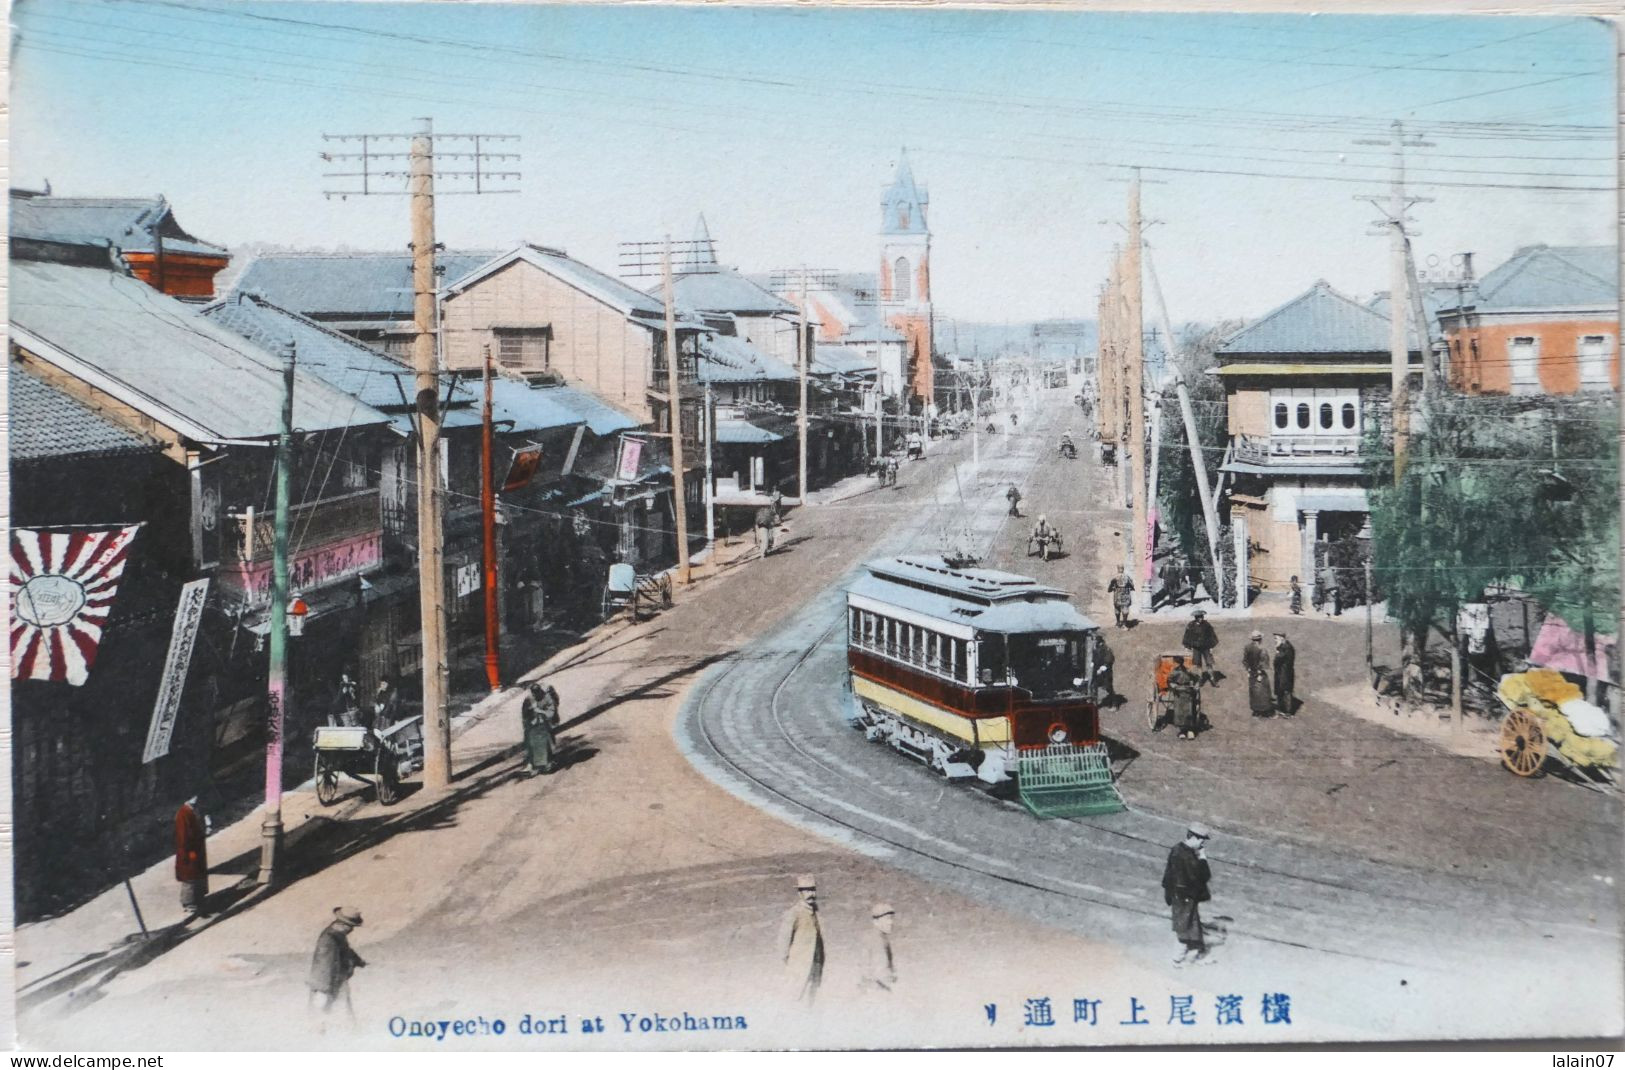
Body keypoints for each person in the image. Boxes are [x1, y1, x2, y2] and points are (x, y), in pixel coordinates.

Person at [1162, 824, 1213, 966]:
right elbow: (1204, 876)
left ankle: (1197, 955)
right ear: (1194, 837)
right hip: (1185, 897)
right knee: (1185, 928)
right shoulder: (1187, 855)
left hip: (1179, 896)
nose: (1202, 844)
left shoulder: (1177, 849)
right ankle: (1177, 959)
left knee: (1193, 925)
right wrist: (1202, 858)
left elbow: (1168, 875)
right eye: (1201, 841)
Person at [308, 906, 367, 1019]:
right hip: (327, 985)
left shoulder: (338, 935)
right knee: (323, 1014)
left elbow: (347, 950)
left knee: (341, 1012)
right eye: (351, 926)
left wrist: (359, 961)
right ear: (343, 924)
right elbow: (324, 964)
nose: (351, 930)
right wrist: (323, 990)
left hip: (337, 981)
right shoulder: (328, 940)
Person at [779, 874, 824, 1003]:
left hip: (815, 966)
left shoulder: (815, 913)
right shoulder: (793, 913)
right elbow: (783, 942)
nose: (811, 893)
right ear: (800, 893)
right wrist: (792, 964)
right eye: (807, 890)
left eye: (813, 889)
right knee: (796, 1000)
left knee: (812, 1001)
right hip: (799, 968)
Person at [174, 796, 209, 918]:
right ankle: (188, 903)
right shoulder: (183, 813)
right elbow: (183, 837)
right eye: (193, 797)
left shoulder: (194, 809)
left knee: (197, 874)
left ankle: (198, 899)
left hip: (197, 849)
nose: (196, 799)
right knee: (189, 877)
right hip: (189, 851)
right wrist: (190, 852)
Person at [521, 681, 561, 775]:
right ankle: (532, 764)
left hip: (545, 724)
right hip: (533, 724)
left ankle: (548, 763)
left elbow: (551, 712)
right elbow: (524, 714)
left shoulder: (547, 698)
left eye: (538, 692)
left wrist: (540, 711)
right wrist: (529, 715)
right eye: (534, 693)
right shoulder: (529, 699)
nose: (536, 695)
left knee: (546, 743)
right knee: (531, 743)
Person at [861, 902, 897, 993]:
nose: (891, 922)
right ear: (876, 922)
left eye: (892, 918)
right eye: (887, 919)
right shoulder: (877, 940)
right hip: (877, 991)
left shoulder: (874, 937)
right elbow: (881, 972)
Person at [1181, 609, 1219, 685]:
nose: (1201, 618)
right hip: (1196, 648)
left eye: (1202, 617)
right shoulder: (1191, 625)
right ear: (1196, 618)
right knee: (1198, 665)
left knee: (1209, 663)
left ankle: (1213, 680)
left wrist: (1211, 647)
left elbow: (1212, 635)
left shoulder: (1207, 625)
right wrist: (1187, 646)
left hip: (1206, 647)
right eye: (1199, 617)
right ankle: (1200, 680)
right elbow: (1187, 636)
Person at [1167, 656, 1201, 740]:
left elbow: (1197, 678)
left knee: (1190, 711)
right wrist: (1173, 685)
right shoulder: (1174, 672)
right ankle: (1182, 731)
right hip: (1179, 693)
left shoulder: (1188, 671)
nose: (1175, 664)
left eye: (1176, 662)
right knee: (1179, 711)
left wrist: (1196, 685)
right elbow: (1169, 680)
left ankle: (1190, 730)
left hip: (1189, 692)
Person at [1243, 630, 1273, 717]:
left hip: (1251, 673)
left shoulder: (1247, 647)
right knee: (1263, 692)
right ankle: (1264, 711)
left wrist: (1248, 670)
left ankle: (1255, 710)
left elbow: (1245, 660)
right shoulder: (1262, 649)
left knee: (1253, 691)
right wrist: (1259, 673)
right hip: (1259, 674)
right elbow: (1263, 663)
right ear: (1260, 639)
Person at [1273, 632, 1297, 716]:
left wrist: (1277, 650)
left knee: (1285, 691)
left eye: (1276, 638)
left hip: (1285, 673)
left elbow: (1277, 660)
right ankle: (1282, 710)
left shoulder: (1286, 648)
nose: (1275, 640)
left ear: (1281, 638)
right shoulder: (1285, 646)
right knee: (1281, 690)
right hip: (1283, 673)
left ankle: (1287, 712)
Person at [1093, 637, 1115, 703]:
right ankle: (1095, 702)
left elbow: (1109, 659)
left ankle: (1113, 704)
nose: (1094, 642)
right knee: (1094, 685)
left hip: (1106, 671)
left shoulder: (1106, 648)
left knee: (1108, 686)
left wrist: (1101, 668)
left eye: (1095, 641)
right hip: (1097, 671)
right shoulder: (1096, 648)